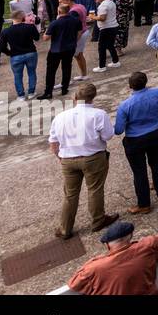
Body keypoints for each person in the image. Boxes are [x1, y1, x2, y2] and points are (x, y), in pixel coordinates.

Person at [48, 83, 118, 239]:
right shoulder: (99, 114)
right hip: (93, 157)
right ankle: (98, 220)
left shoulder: (60, 117)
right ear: (93, 97)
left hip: (68, 159)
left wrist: (61, 157)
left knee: (70, 195)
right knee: (95, 189)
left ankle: (65, 229)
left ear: (75, 97)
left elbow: (53, 143)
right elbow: (108, 136)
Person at [114, 71, 158, 214]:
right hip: (155, 134)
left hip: (135, 140)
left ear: (130, 86)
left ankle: (144, 204)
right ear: (146, 82)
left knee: (139, 172)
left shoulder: (125, 105)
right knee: (157, 166)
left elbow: (118, 130)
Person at [67, 221, 158, 295]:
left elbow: (74, 283)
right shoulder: (146, 247)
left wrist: (93, 260)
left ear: (107, 245)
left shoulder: (95, 268)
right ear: (130, 237)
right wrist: (141, 242)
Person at [37, 1, 80, 100]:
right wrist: (74, 41)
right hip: (70, 48)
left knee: (51, 71)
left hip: (56, 49)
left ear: (58, 11)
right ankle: (64, 88)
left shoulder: (55, 23)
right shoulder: (75, 20)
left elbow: (46, 38)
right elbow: (79, 32)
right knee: (67, 68)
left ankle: (48, 92)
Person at [1, 10, 40, 101]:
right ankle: (31, 92)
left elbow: (2, 47)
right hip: (30, 53)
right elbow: (37, 38)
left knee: (17, 75)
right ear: (22, 17)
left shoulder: (6, 31)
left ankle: (21, 95)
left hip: (15, 55)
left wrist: (9, 53)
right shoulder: (30, 27)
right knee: (31, 72)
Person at [88, 0, 121, 73]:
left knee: (101, 47)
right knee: (110, 45)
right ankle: (115, 61)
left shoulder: (103, 5)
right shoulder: (111, 2)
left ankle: (102, 66)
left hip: (106, 28)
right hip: (114, 26)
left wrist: (93, 17)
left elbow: (102, 18)